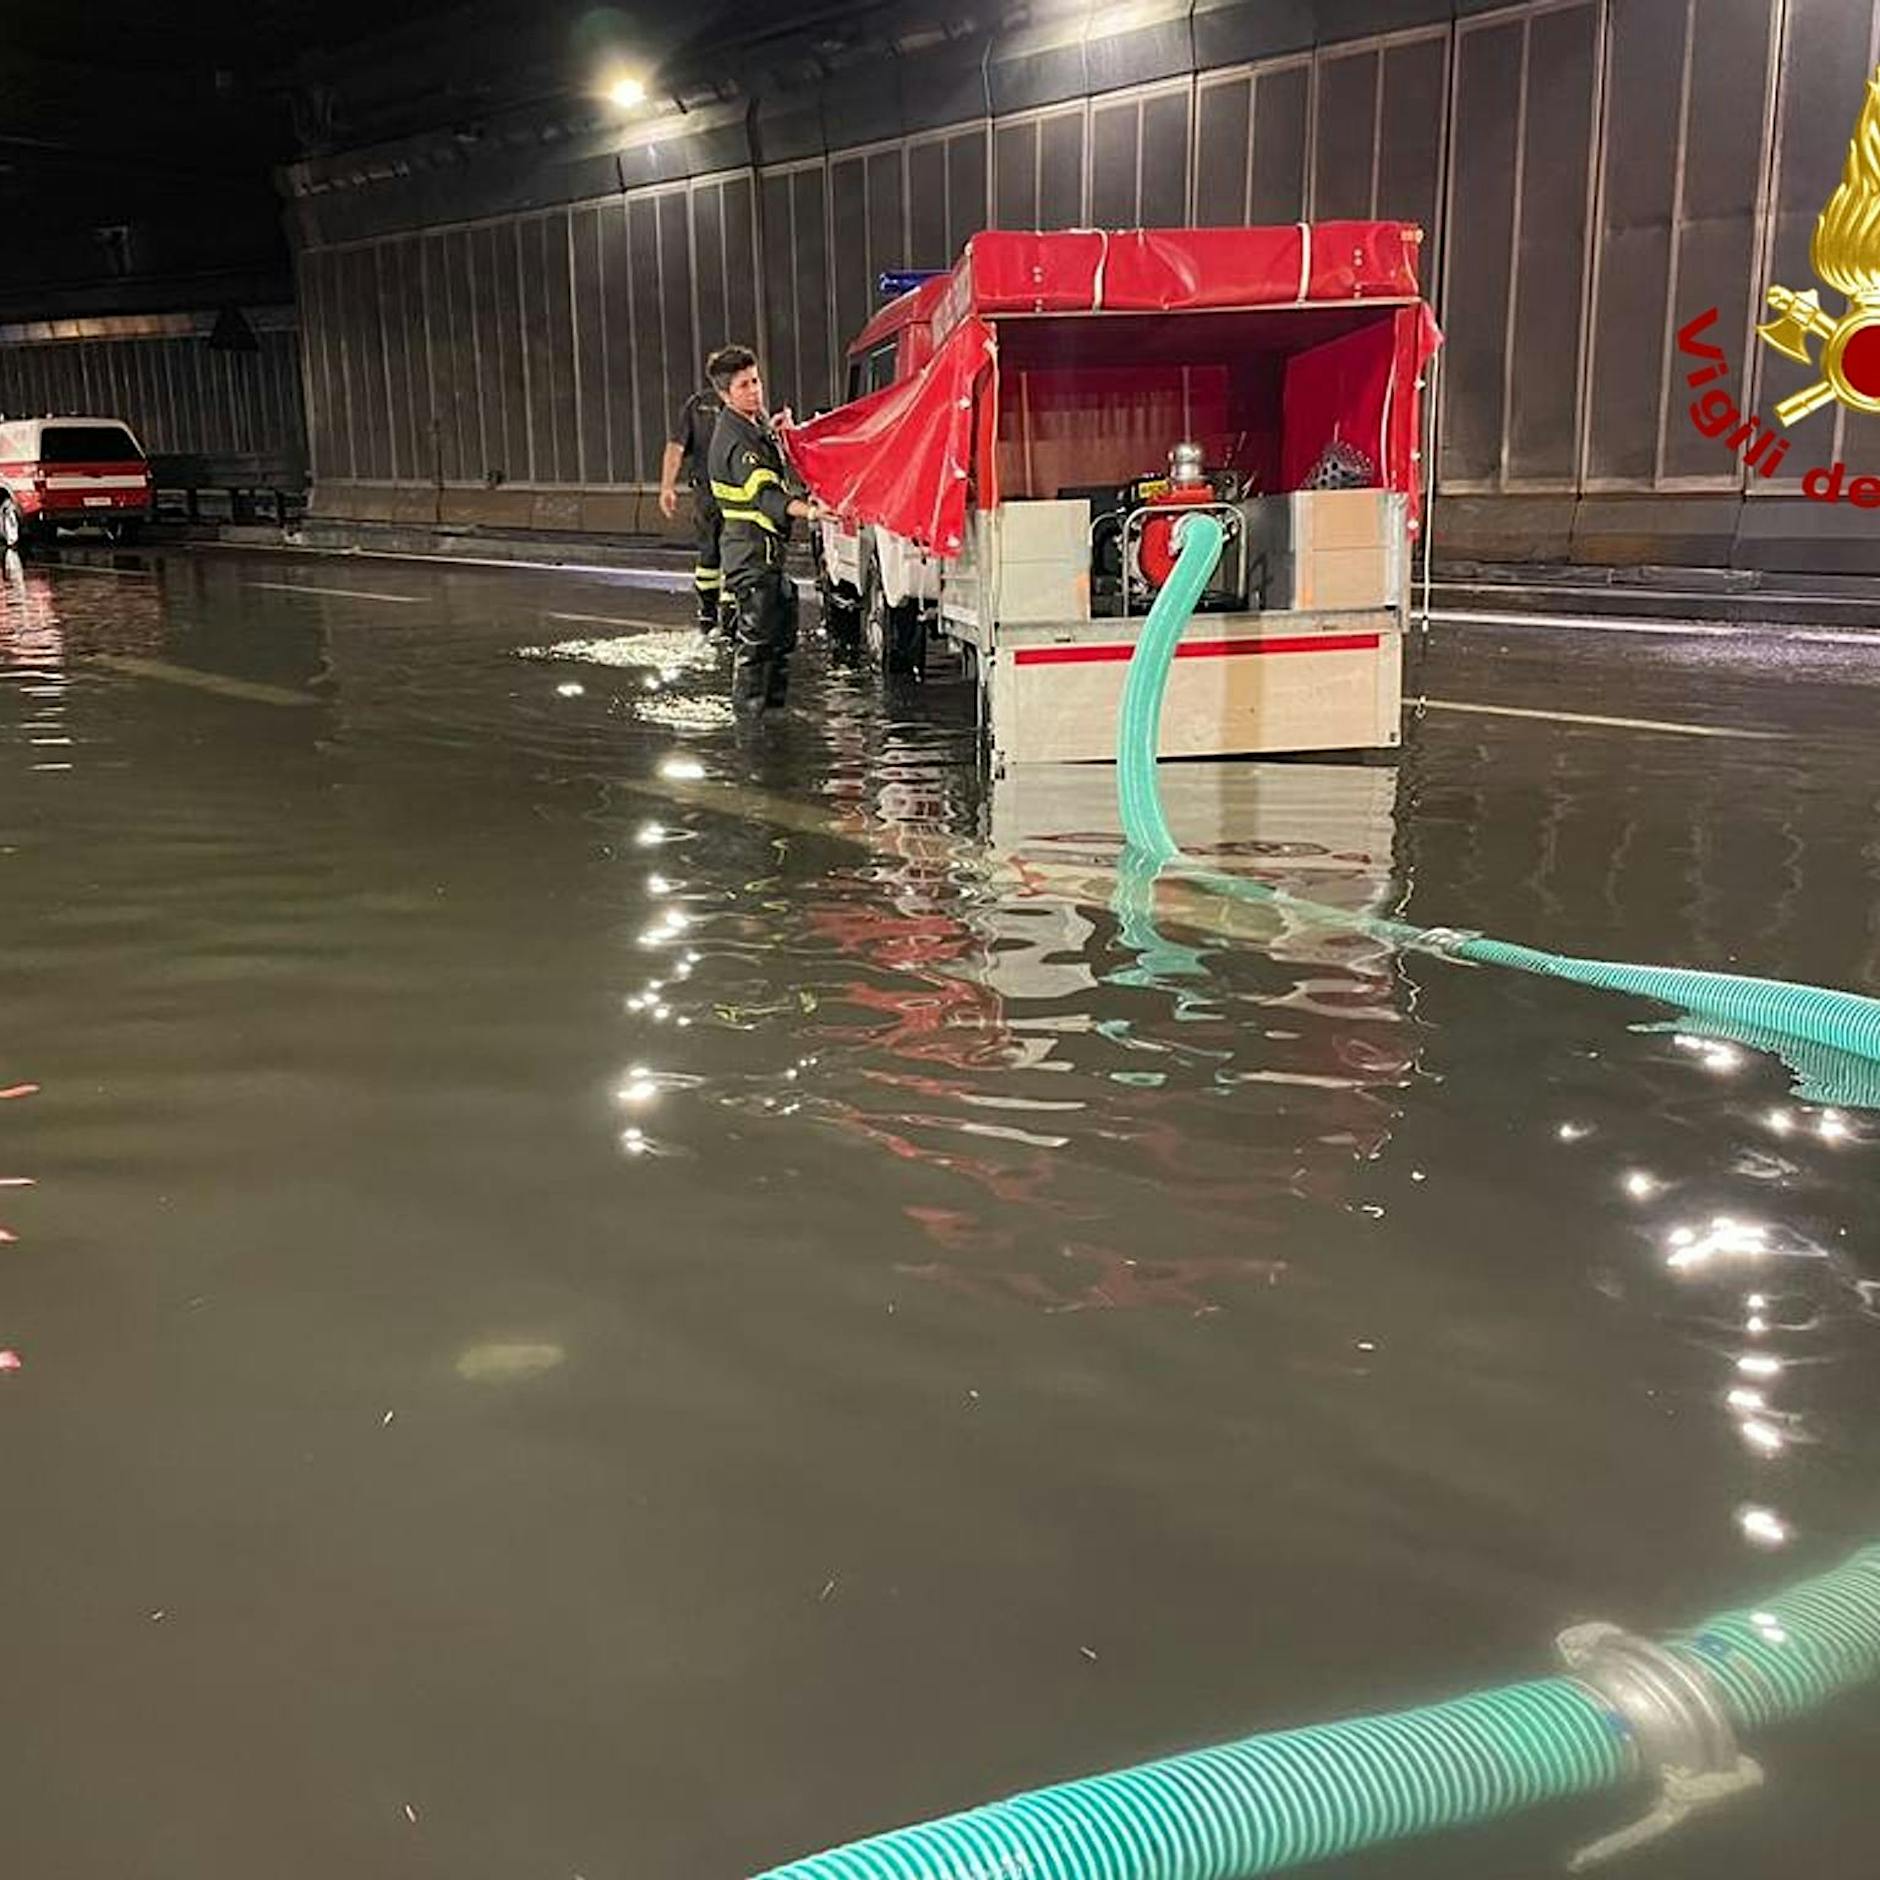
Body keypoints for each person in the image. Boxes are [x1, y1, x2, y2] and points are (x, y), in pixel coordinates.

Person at [706, 345, 823, 714]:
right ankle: (752, 735)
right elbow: (765, 495)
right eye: (744, 385)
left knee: (778, 641)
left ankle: (770, 719)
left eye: (756, 381)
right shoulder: (735, 439)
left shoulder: (749, 427)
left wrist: (775, 434)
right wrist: (812, 512)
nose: (755, 390)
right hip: (750, 558)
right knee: (756, 651)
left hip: (764, 558)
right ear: (725, 394)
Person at [659, 360, 728, 632]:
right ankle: (726, 615)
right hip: (727, 494)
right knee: (727, 552)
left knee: (711, 554)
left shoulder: (698, 405)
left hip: (709, 493)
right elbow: (675, 448)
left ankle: (709, 613)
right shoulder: (735, 403)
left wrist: (668, 486)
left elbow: (676, 448)